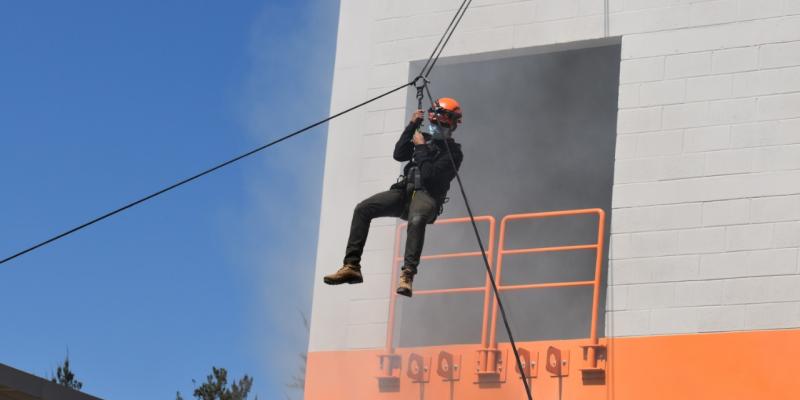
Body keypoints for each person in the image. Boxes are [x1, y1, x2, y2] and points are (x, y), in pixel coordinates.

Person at [323, 98, 464, 297]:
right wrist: (412, 126)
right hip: (404, 192)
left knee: (416, 220)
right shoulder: (422, 137)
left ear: (449, 122)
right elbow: (399, 154)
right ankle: (351, 266)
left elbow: (430, 175)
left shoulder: (454, 153)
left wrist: (421, 147)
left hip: (427, 198)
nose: (433, 121)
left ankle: (407, 275)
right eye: (432, 117)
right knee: (363, 209)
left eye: (438, 118)